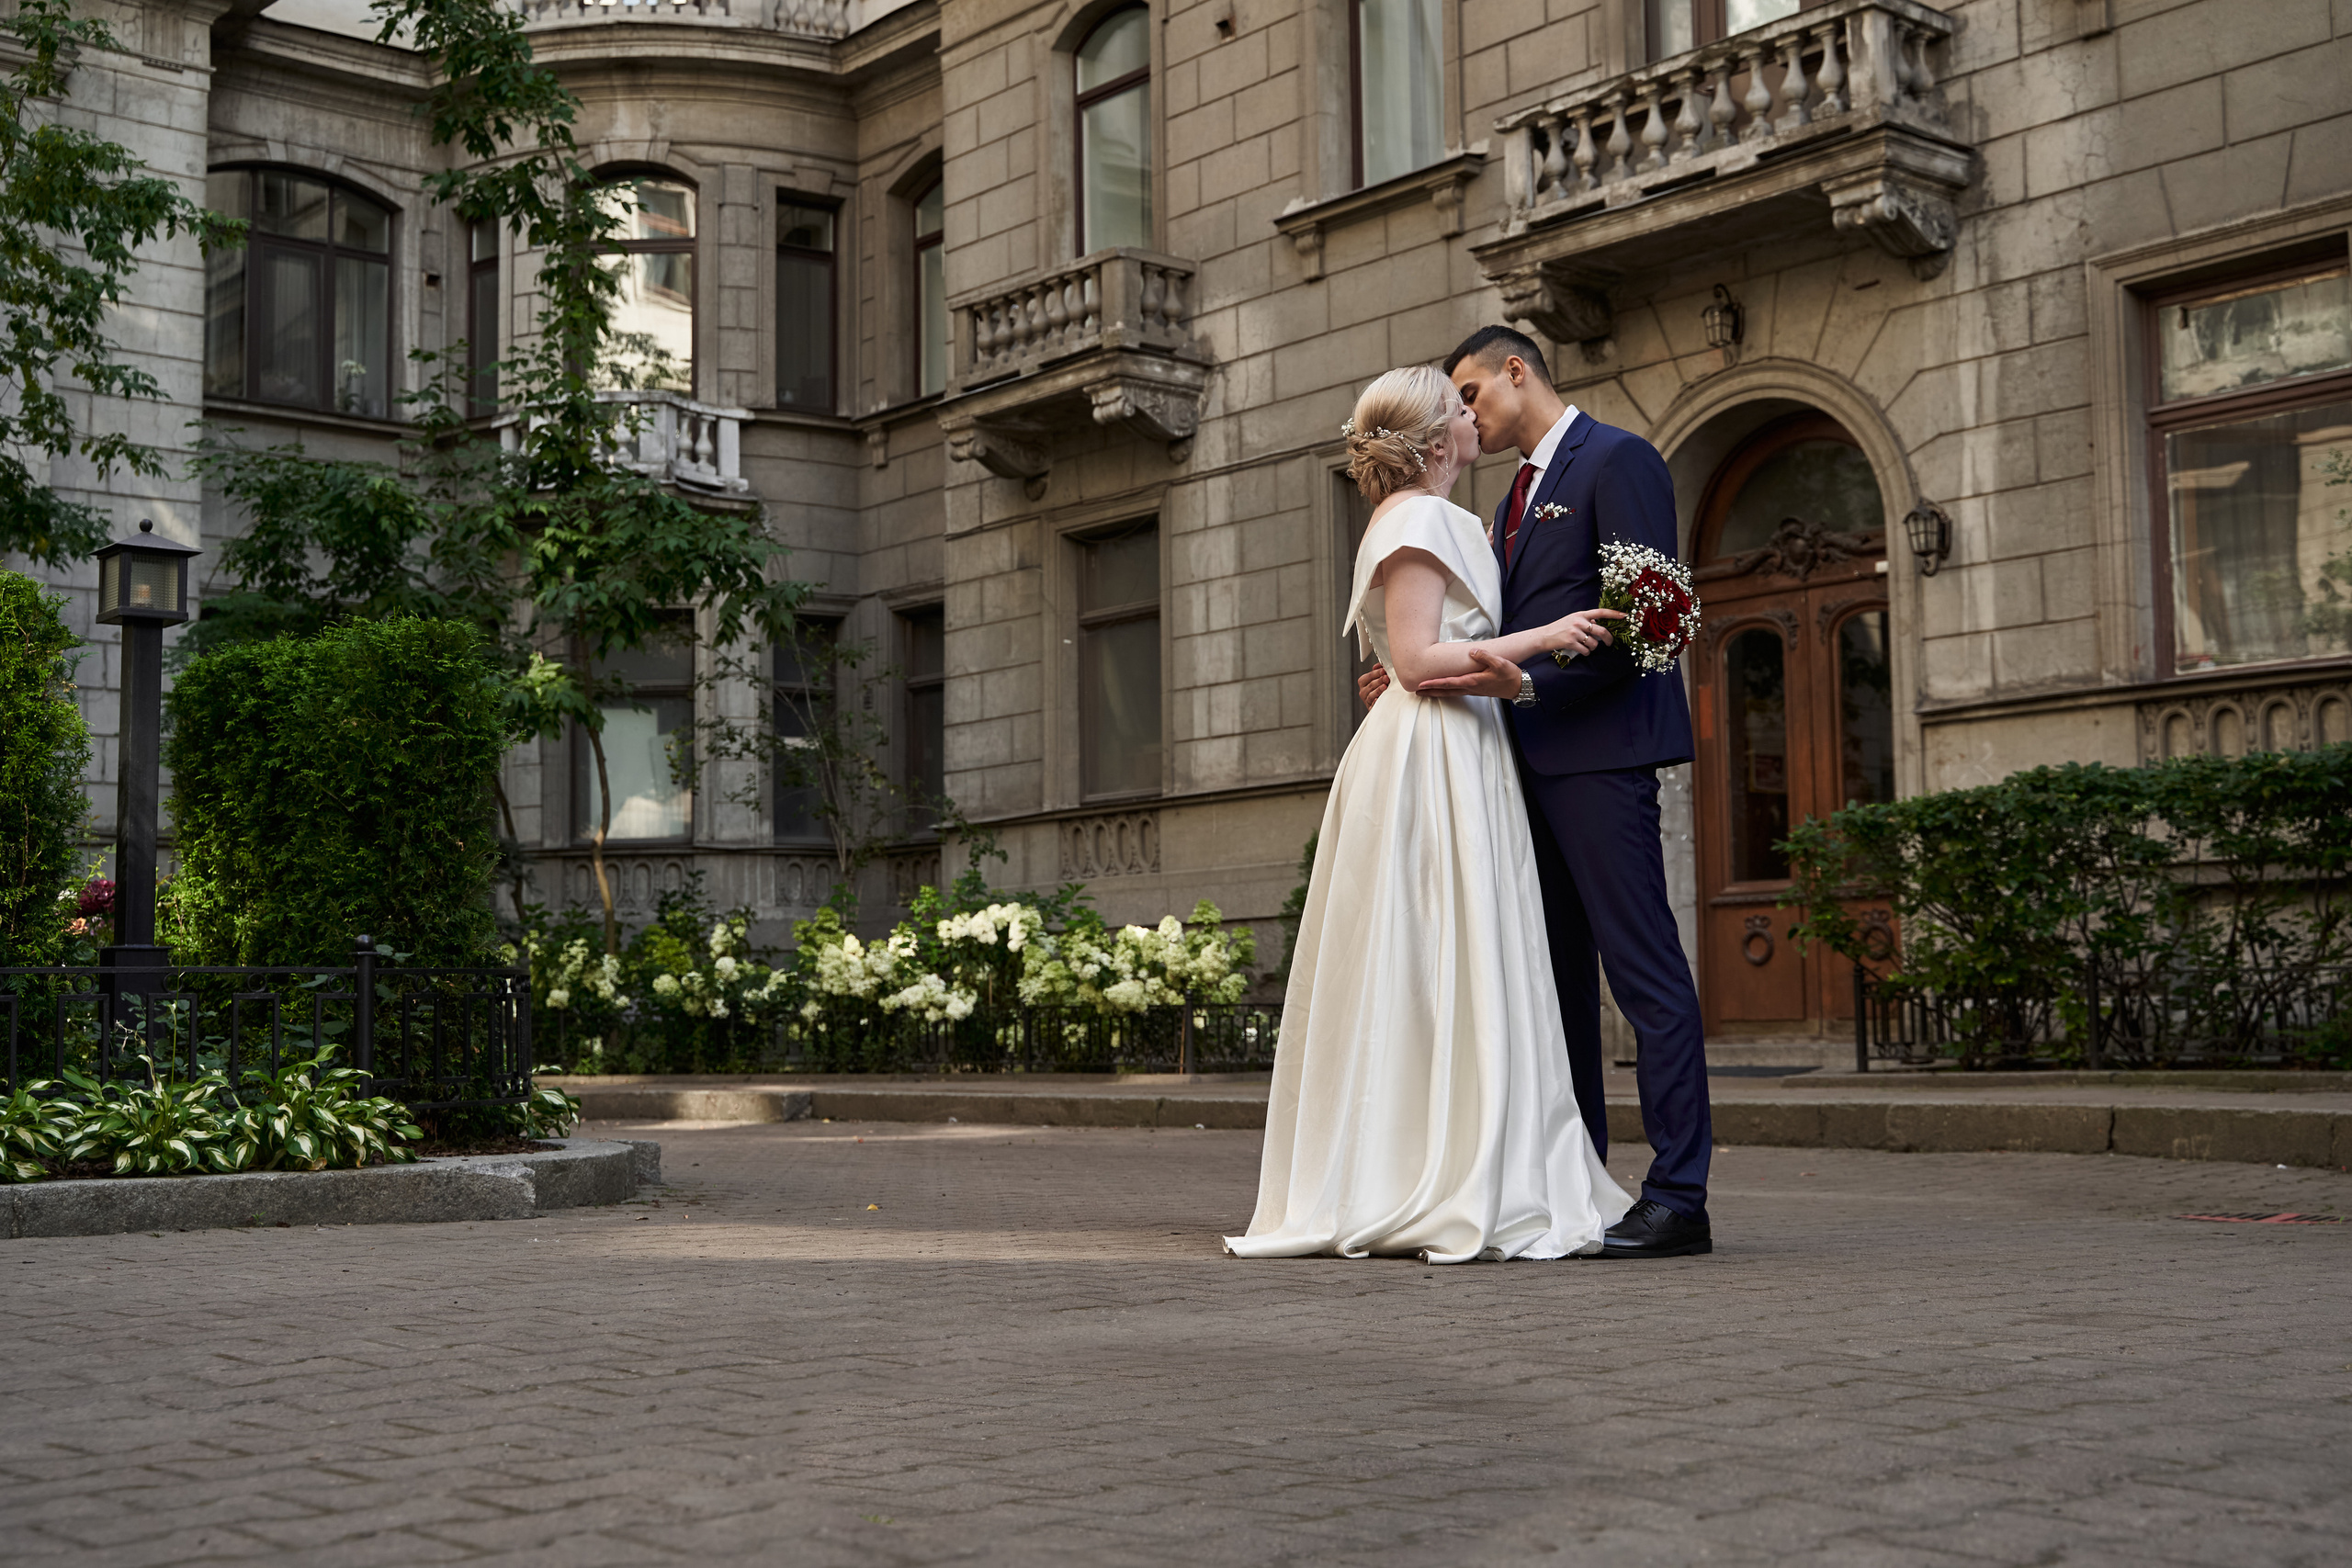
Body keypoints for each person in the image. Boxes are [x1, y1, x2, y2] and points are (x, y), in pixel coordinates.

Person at [1224, 366, 1632, 1264]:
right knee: (1445, 951)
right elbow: (1413, 660)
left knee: (1439, 957)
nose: (1470, 411)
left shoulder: (1433, 521)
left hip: (1451, 742)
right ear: (1433, 436)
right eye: (1456, 405)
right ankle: (1442, 1167)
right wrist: (1546, 635)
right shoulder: (1419, 518)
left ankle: (1434, 1152)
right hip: (1435, 748)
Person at [1378, 324, 1713, 1261]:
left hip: (1600, 755)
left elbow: (1655, 623)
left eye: (1472, 391)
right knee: (1556, 983)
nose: (1466, 413)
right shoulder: (1512, 501)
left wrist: (1529, 685)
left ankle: (1680, 1197)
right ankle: (1582, 1183)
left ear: (1516, 372)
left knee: (1644, 974)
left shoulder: (1619, 459)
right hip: (1518, 766)